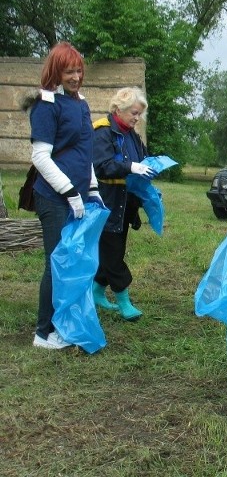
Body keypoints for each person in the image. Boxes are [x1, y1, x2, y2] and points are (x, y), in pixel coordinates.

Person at [25, 42, 101, 349]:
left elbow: (85, 152)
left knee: (73, 261)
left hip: (80, 196)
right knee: (56, 261)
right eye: (69, 70)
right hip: (54, 197)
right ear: (56, 70)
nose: (75, 76)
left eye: (79, 69)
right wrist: (70, 191)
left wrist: (92, 189)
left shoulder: (81, 103)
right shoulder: (46, 105)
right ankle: (44, 333)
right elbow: (40, 157)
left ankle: (64, 323)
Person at [92, 87, 157, 321]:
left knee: (112, 249)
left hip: (125, 202)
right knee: (113, 253)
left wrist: (151, 167)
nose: (136, 118)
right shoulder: (103, 131)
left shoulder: (132, 134)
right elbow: (101, 165)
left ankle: (97, 291)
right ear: (118, 109)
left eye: (139, 114)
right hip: (107, 201)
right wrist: (130, 167)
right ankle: (124, 301)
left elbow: (142, 160)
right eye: (134, 113)